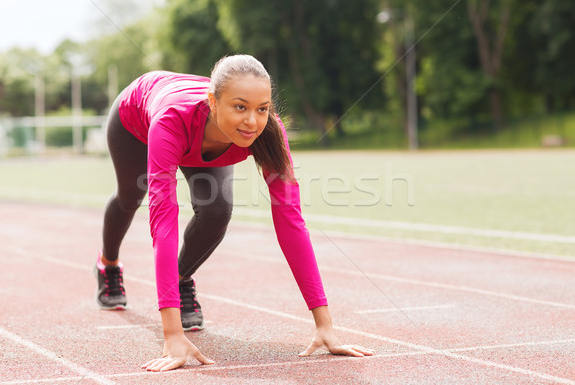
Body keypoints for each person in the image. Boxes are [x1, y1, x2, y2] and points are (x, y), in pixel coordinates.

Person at [94, 54, 374, 371]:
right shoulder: (171, 119)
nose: (252, 121)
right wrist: (172, 334)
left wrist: (325, 325)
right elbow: (164, 221)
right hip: (137, 120)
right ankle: (108, 265)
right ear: (213, 102)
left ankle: (182, 277)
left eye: (262, 108)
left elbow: (291, 222)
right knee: (132, 196)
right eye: (240, 107)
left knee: (216, 211)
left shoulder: (267, 131)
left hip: (206, 134)